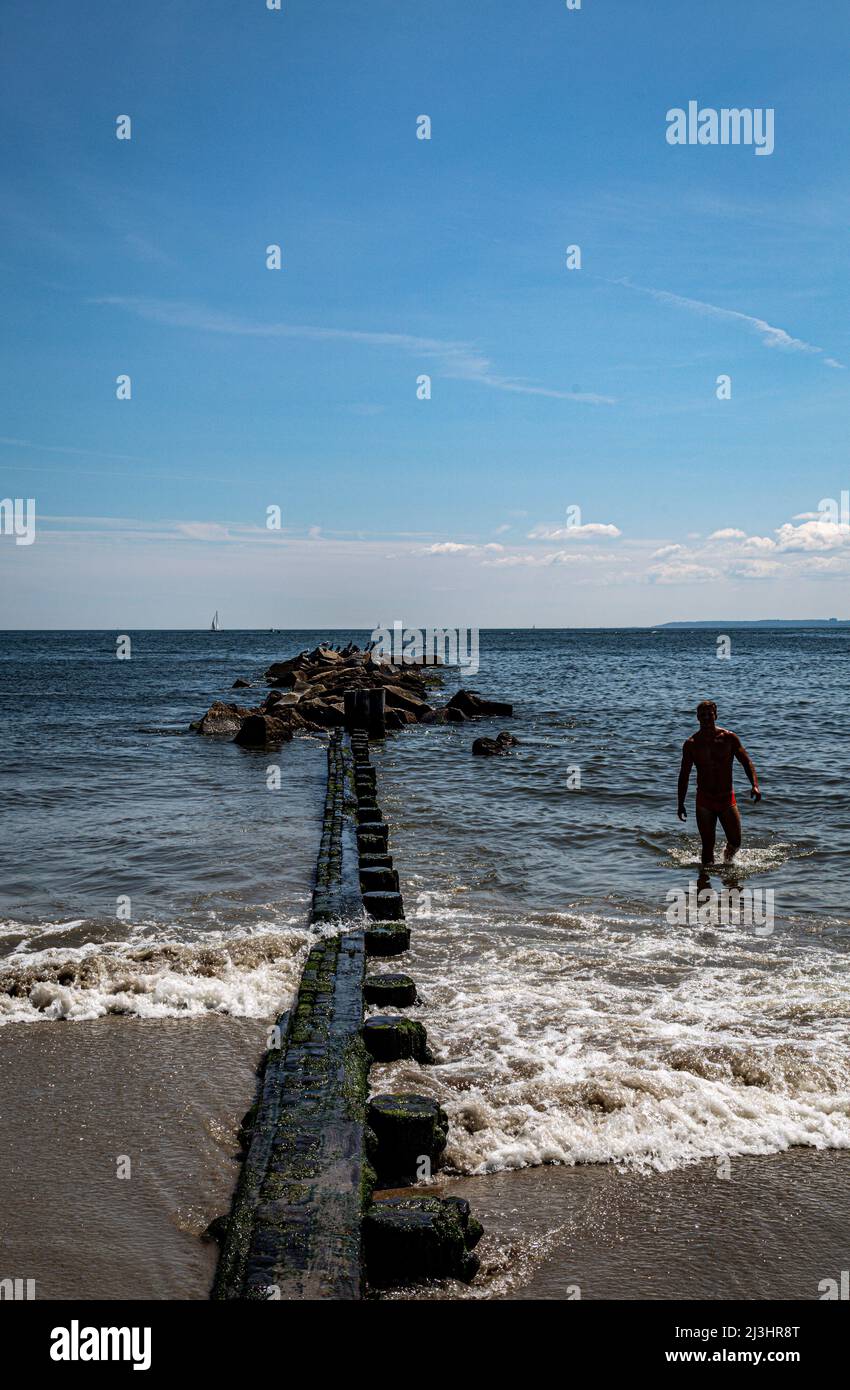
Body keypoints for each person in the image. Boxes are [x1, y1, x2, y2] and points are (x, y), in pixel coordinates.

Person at [677, 701, 761, 865]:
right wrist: (680, 803)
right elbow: (684, 775)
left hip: (726, 799)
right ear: (697, 718)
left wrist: (755, 785)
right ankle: (704, 884)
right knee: (707, 846)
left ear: (716, 715)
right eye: (703, 715)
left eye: (709, 714)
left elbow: (746, 762)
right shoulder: (691, 744)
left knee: (736, 842)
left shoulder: (729, 738)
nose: (706, 718)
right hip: (704, 801)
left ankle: (727, 863)